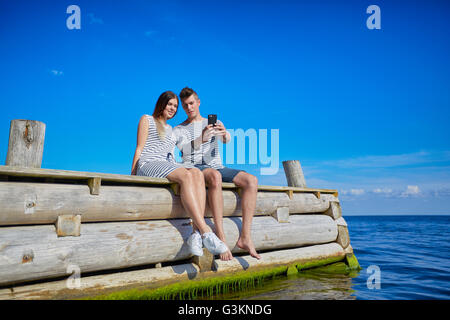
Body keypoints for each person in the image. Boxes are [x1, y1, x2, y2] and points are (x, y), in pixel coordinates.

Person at [130, 90, 228, 257]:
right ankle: (205, 230)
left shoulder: (171, 129)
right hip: (148, 163)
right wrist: (132, 176)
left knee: (196, 172)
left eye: (175, 106)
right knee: (185, 175)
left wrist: (217, 134)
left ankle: (196, 234)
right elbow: (139, 148)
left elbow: (182, 151)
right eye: (170, 104)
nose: (173, 108)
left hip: (167, 164)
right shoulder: (147, 119)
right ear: (162, 103)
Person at [174, 87, 261, 260]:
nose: (189, 107)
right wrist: (202, 138)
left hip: (217, 165)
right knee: (215, 176)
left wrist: (224, 132)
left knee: (251, 180)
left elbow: (226, 140)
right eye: (185, 105)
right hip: (194, 167)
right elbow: (183, 150)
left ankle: (245, 237)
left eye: (191, 103)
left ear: (198, 103)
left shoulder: (210, 122)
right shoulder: (179, 129)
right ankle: (221, 237)